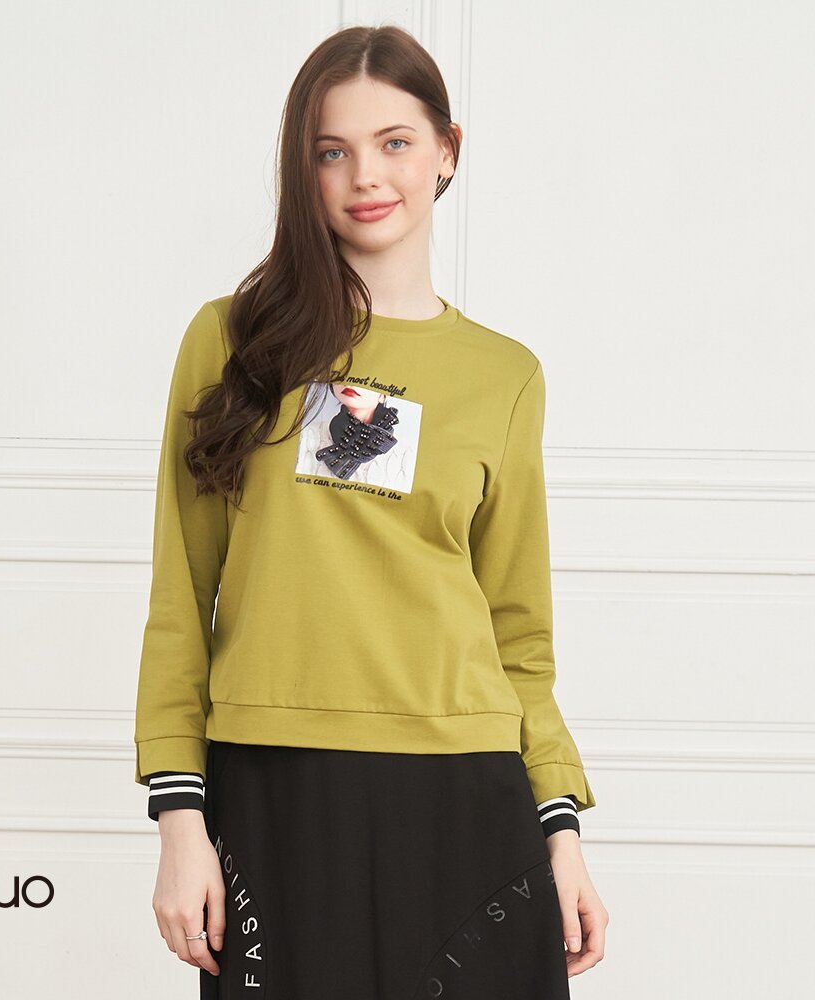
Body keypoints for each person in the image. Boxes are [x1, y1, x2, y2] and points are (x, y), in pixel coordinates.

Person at [134, 23, 608, 998]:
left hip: (467, 787)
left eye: (394, 141)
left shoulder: (504, 376)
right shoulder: (232, 342)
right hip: (278, 784)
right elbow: (181, 593)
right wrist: (179, 816)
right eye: (331, 151)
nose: (365, 176)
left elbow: (518, 631)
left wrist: (560, 830)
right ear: (302, 169)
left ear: (446, 151)